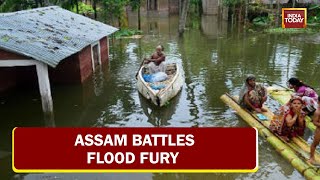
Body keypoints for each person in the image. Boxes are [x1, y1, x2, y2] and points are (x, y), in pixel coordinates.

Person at [308, 96, 320, 165]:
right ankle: (311, 157)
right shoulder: (317, 112)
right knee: (315, 143)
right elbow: (315, 122)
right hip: (319, 130)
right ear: (318, 102)